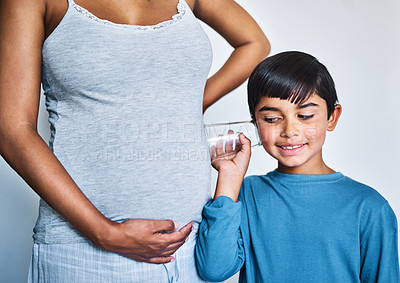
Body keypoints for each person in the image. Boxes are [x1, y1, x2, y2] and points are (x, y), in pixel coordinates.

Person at [0, 0, 270, 281]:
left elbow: (254, 43)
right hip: (84, 255)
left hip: (188, 250)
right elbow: (12, 130)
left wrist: (191, 104)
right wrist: (104, 232)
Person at [195, 51, 400, 282]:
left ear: (332, 116)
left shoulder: (370, 207)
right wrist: (229, 178)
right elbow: (213, 269)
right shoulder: (245, 194)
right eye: (272, 119)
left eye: (305, 115)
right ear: (255, 123)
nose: (289, 131)